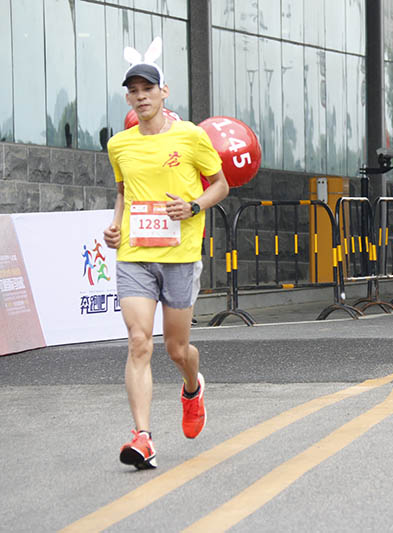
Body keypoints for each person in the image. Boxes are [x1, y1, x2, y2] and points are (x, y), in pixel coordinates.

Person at [103, 57, 229, 469]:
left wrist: (193, 206)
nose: (141, 97)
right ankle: (143, 437)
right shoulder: (120, 144)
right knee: (139, 340)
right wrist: (114, 225)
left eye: (148, 89)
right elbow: (124, 193)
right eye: (134, 91)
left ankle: (192, 387)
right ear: (129, 97)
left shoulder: (191, 137)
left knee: (177, 350)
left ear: (163, 92)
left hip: (179, 256)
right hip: (136, 255)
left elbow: (221, 185)